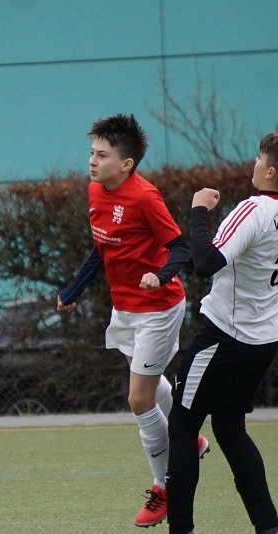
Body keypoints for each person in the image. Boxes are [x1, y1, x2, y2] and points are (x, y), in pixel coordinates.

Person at [56, 113, 207, 528]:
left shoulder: (145, 197)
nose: (93, 160)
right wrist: (74, 289)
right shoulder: (95, 190)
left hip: (158, 307)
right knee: (150, 383)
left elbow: (181, 249)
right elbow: (102, 248)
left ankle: (165, 487)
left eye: (102, 155)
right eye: (92, 152)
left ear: (126, 164)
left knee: (139, 399)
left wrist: (160, 275)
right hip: (124, 307)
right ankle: (190, 439)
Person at [165, 132, 278, 534]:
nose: (254, 162)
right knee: (230, 428)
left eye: (259, 158)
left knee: (182, 426)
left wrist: (198, 211)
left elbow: (205, 263)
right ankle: (270, 528)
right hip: (265, 339)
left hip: (224, 337)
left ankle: (181, 529)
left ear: (271, 171)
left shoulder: (252, 209)